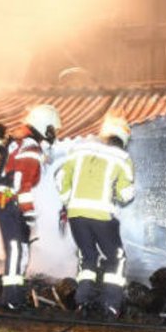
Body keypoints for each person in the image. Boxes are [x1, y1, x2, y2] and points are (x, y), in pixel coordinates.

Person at [57, 113, 136, 319]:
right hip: (102, 216)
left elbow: (61, 178)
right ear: (123, 138)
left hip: (76, 214)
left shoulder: (79, 150)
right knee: (115, 258)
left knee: (87, 256)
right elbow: (126, 194)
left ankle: (82, 302)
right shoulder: (122, 158)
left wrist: (68, 201)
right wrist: (117, 194)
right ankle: (111, 306)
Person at [0, 104, 61, 310]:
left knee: (19, 250)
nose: (53, 134)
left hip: (6, 202)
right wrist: (29, 212)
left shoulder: (20, 143)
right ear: (44, 127)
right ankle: (12, 299)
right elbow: (22, 184)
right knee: (17, 250)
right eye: (52, 129)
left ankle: (14, 297)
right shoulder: (30, 148)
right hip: (11, 203)